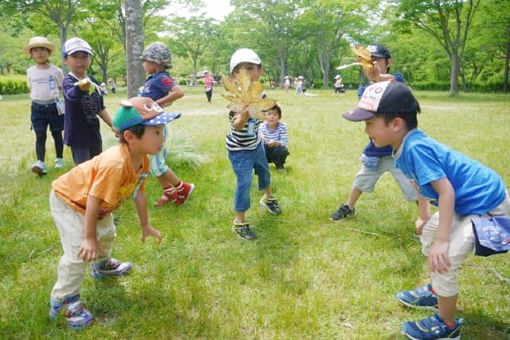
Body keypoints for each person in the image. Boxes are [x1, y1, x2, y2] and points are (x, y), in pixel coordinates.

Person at [342, 80, 510, 339]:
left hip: (488, 205)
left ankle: (448, 325)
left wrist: (444, 241)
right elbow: (420, 184)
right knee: (429, 232)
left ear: (395, 123)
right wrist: (424, 217)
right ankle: (436, 292)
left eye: (369, 123)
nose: (366, 130)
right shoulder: (401, 146)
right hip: (466, 203)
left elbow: (446, 191)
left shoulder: (415, 147)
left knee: (445, 258)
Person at [48, 96, 179, 329]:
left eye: (163, 130)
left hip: (98, 205)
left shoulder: (143, 161)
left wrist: (145, 225)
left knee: (107, 234)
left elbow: (139, 192)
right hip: (70, 200)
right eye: (156, 132)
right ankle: (63, 300)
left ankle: (101, 265)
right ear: (130, 137)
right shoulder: (115, 164)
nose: (163, 136)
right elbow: (93, 198)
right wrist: (88, 237)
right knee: (79, 252)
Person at [330, 44, 417, 221]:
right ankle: (349, 206)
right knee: (361, 180)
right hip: (376, 151)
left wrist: (379, 77)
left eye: (376, 60)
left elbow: (394, 81)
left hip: (400, 152)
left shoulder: (397, 81)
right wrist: (375, 79)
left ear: (389, 62)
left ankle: (426, 218)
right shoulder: (364, 90)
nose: (371, 64)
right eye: (367, 61)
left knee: (413, 187)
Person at [226, 48, 282, 241]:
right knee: (245, 182)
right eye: (240, 71)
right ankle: (239, 222)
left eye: (250, 68)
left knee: (265, 171)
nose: (247, 75)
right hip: (239, 149)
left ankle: (268, 198)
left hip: (255, 144)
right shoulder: (235, 98)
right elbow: (238, 125)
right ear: (234, 76)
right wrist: (245, 112)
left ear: (260, 71)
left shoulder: (261, 94)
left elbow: (266, 112)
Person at [140, 42, 194, 207]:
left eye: (145, 61)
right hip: (149, 128)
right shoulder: (153, 79)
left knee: (157, 165)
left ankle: (182, 187)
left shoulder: (162, 78)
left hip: (156, 129)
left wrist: (156, 103)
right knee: (154, 163)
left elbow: (178, 92)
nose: (143, 64)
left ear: (155, 62)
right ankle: (168, 192)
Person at [62, 37, 117, 165]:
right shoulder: (68, 81)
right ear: (66, 60)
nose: (80, 61)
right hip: (78, 135)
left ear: (90, 59)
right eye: (75, 56)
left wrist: (112, 125)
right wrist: (80, 87)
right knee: (84, 169)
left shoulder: (92, 80)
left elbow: (99, 107)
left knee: (97, 165)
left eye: (84, 57)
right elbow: (71, 96)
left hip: (93, 132)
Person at [24, 36, 65, 175]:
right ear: (31, 54)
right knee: (40, 134)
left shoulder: (56, 71)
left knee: (57, 133)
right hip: (37, 107)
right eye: (35, 51)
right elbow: (31, 88)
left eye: (43, 50)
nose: (39, 53)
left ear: (48, 52)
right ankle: (40, 162)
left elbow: (60, 87)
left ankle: (59, 159)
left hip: (53, 106)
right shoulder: (30, 71)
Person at [259, 104, 289, 171]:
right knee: (258, 148)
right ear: (265, 116)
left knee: (283, 150)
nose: (272, 117)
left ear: (279, 117)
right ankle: (261, 165)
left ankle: (279, 165)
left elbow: (284, 141)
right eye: (269, 114)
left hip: (276, 149)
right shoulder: (262, 126)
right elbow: (258, 138)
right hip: (265, 150)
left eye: (275, 114)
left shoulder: (282, 126)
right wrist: (260, 137)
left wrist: (276, 143)